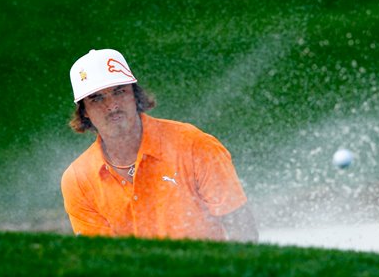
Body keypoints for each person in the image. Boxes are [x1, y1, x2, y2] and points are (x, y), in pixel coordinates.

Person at [61, 49, 258, 242]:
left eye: (119, 92)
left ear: (135, 95)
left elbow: (243, 231)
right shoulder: (78, 180)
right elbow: (102, 260)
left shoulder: (195, 145)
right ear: (84, 111)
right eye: (97, 98)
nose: (112, 105)